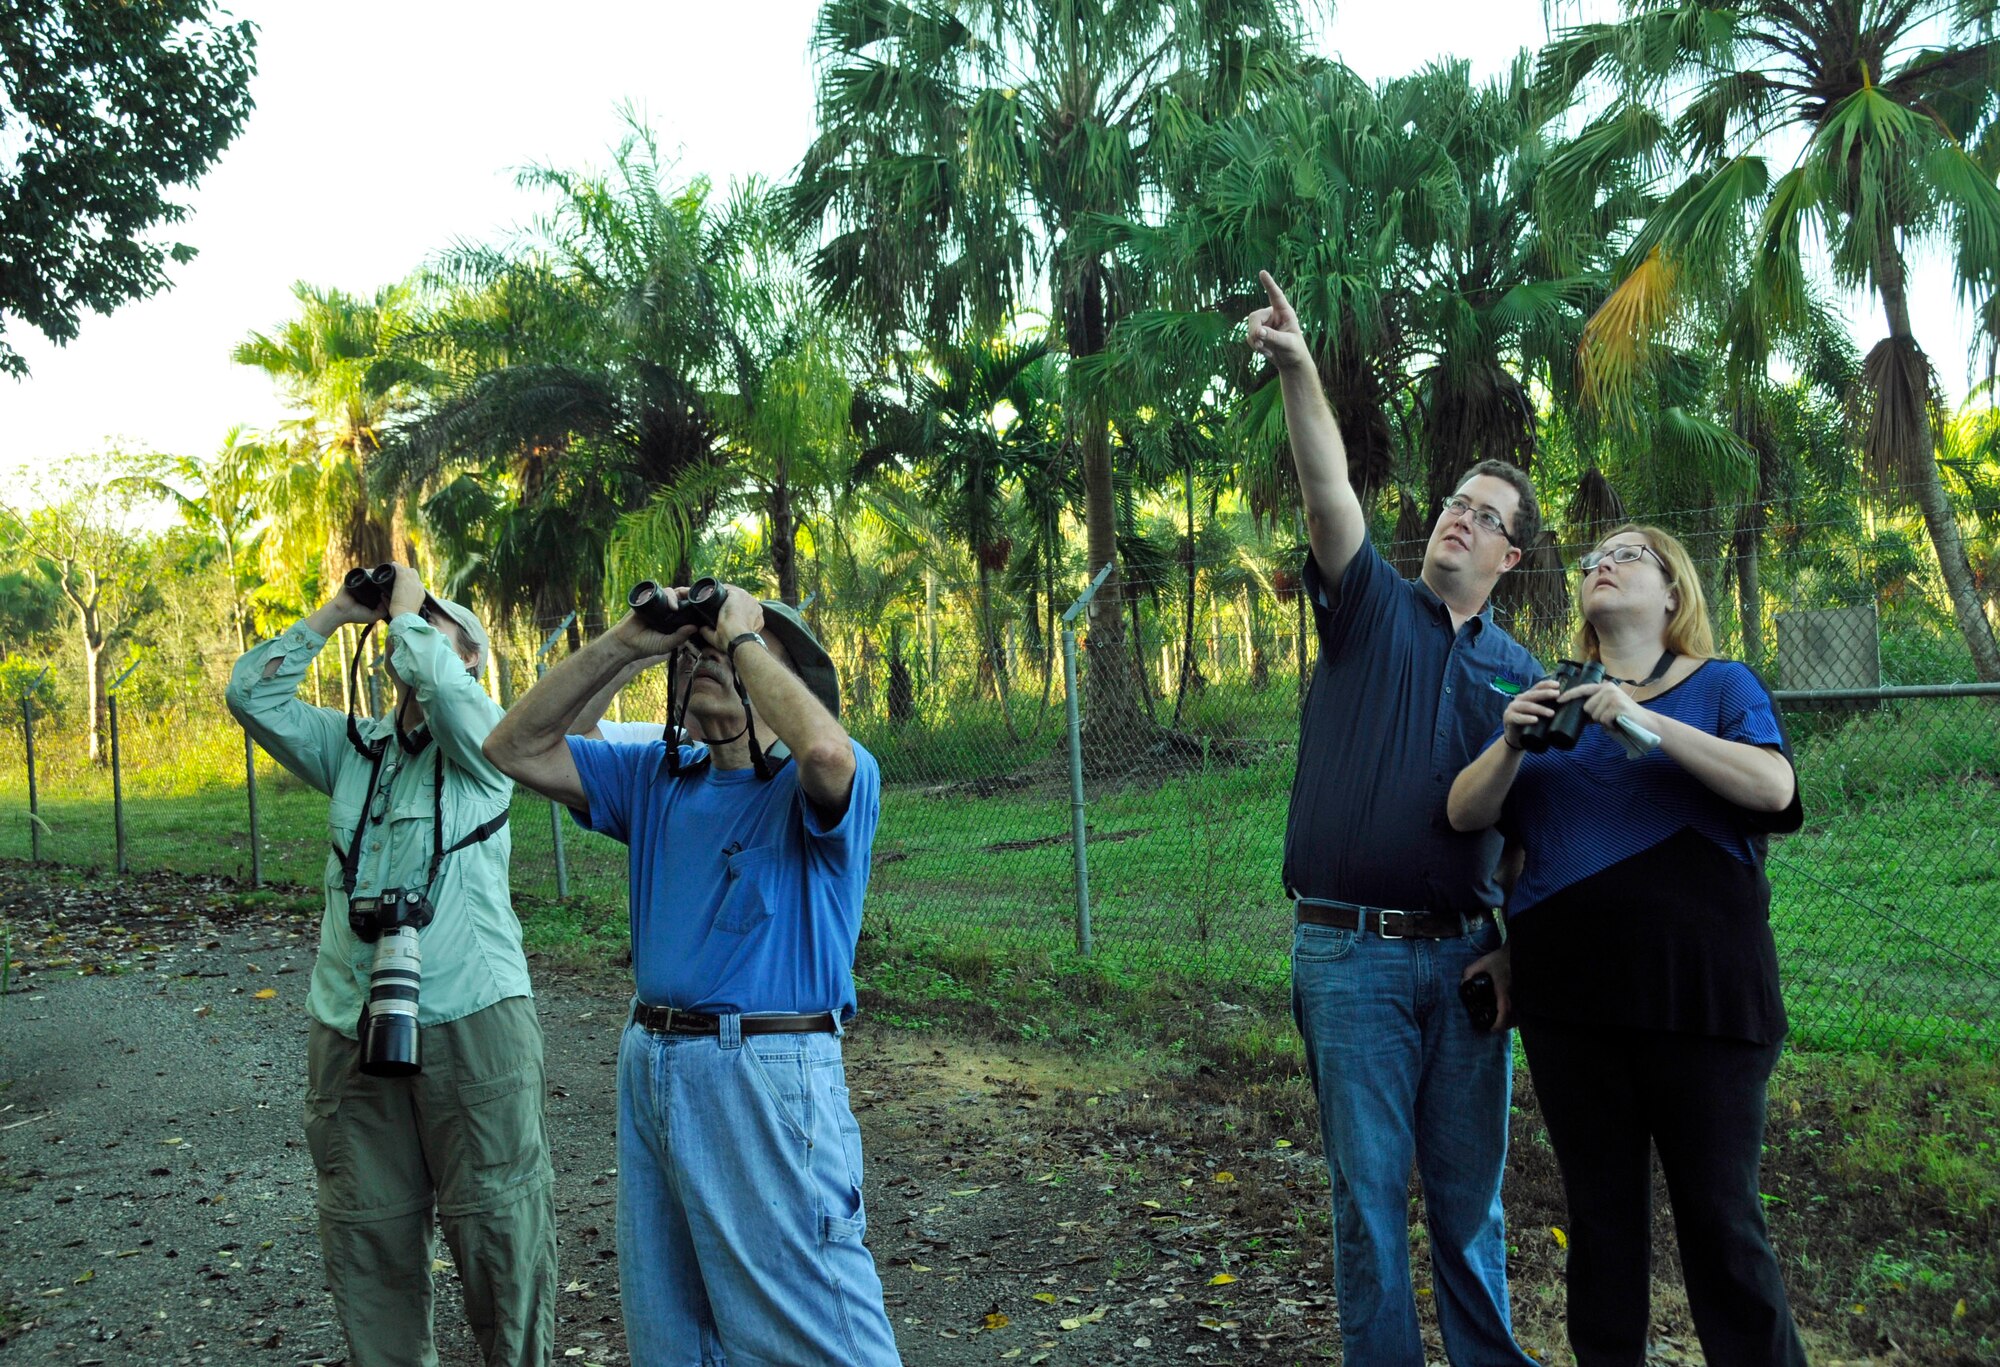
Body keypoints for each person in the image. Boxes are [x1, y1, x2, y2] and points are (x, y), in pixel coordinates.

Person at [482, 583, 901, 1366]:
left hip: (768, 1076)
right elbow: (512, 746)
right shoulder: (657, 778)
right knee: (674, 1339)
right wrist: (631, 640)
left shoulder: (829, 782)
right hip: (653, 1065)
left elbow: (825, 751)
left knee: (819, 1335)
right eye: (697, 652)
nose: (710, 657)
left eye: (736, 649)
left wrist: (741, 634)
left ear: (790, 686)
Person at [1246, 271, 1543, 1366]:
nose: (1456, 519)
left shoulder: (1521, 676)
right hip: (1349, 958)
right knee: (1366, 1204)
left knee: (1470, 1212)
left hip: (1466, 965)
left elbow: (1532, 840)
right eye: (1453, 503)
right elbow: (1329, 495)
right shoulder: (1371, 606)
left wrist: (1518, 947)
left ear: (1509, 558)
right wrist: (1298, 367)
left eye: (1483, 517)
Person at [1447, 525, 1807, 1367]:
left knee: (1723, 1227)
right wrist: (1510, 736)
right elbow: (1471, 820)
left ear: (1673, 592)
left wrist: (1643, 718)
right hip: (1571, 1009)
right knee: (1602, 1231)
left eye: (1625, 556)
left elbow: (1775, 789)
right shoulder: (1551, 703)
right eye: (1588, 562)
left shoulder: (1721, 685)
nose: (1599, 566)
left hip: (1703, 1001)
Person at [225, 565, 555, 1367]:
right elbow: (251, 698)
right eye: (407, 616)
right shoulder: (353, 751)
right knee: (365, 1233)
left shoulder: (492, 741)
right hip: (349, 1020)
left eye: (433, 621)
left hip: (472, 1016)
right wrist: (339, 610)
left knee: (500, 1230)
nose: (410, 625)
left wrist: (410, 618)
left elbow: (444, 695)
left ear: (471, 655)